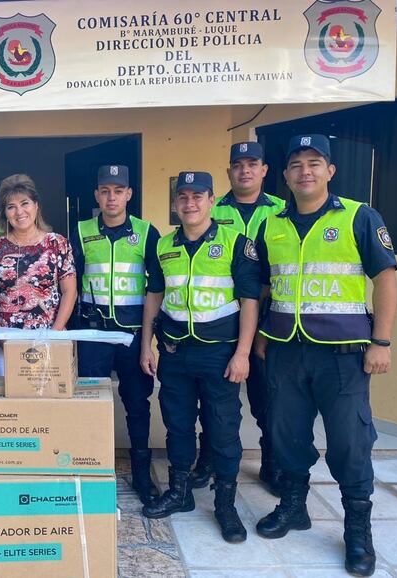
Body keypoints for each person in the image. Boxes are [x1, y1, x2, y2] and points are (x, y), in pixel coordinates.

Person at [253, 134, 397, 577]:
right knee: (287, 435)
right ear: (285, 175)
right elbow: (264, 285)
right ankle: (294, 506)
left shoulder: (359, 216)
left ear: (330, 171)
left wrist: (383, 341)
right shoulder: (272, 224)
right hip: (285, 350)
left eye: (314, 163)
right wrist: (260, 335)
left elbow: (386, 280)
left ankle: (358, 528)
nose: (305, 171)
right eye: (296, 164)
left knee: (350, 442)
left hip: (343, 355)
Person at [140, 171, 261, 544]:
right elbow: (155, 297)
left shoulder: (236, 243)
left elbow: (249, 302)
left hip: (219, 355)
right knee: (177, 426)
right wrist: (146, 344)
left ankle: (225, 504)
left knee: (223, 431)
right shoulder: (163, 245)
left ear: (212, 200)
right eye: (182, 197)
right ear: (175, 204)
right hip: (175, 352)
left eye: (197, 196)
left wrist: (243, 353)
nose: (189, 203)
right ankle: (180, 492)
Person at [183, 142, 286, 495]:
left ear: (264, 170)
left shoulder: (282, 211)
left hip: (271, 318)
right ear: (228, 172)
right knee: (215, 401)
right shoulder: (213, 207)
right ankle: (208, 460)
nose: (244, 170)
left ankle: (272, 461)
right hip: (226, 320)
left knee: (267, 397)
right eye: (237, 164)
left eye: (252, 164)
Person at [70, 164, 161, 505]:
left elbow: (157, 287)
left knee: (137, 404)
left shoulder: (146, 232)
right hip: (93, 334)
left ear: (128, 195)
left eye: (118, 191)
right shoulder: (80, 232)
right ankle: (91, 469)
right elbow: (68, 284)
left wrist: (149, 341)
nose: (111, 197)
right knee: (89, 406)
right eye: (105, 190)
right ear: (97, 195)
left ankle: (141, 475)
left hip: (133, 335)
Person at [0, 174, 77, 375]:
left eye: (25, 203)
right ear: (5, 213)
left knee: (48, 401)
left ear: (36, 205)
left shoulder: (57, 244)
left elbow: (70, 292)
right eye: (11, 206)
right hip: (6, 342)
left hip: (50, 337)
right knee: (13, 402)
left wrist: (54, 334)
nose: (19, 211)